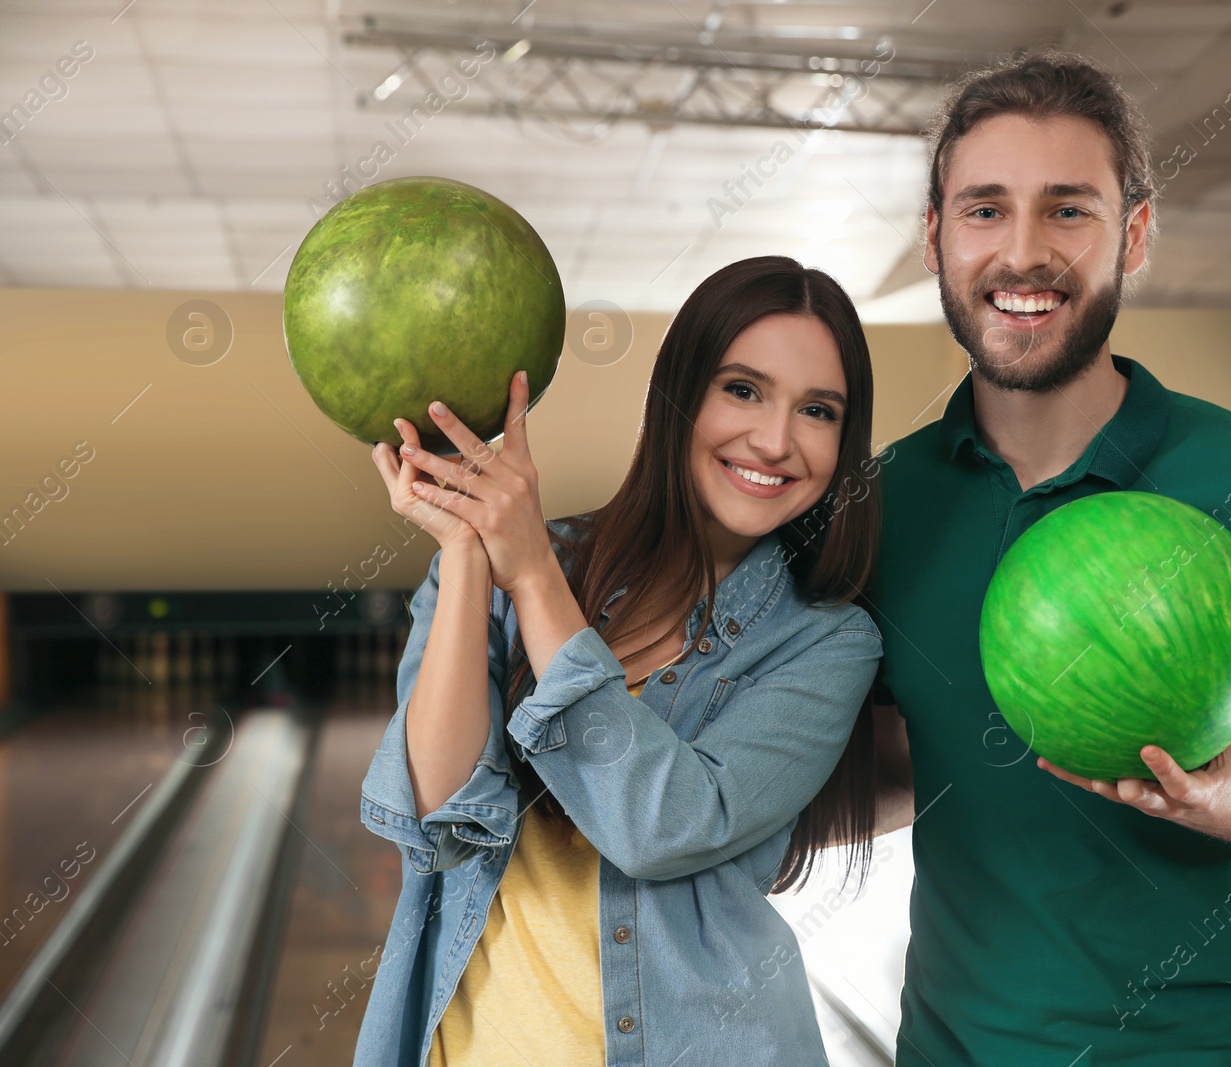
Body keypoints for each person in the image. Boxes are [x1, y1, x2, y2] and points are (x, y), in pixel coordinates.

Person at [869, 52, 1231, 1064]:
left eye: (1068, 209)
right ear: (935, 239)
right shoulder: (882, 504)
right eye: (984, 209)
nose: (1023, 250)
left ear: (1132, 235)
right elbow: (899, 770)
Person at [353, 256, 885, 1067]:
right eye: (741, 389)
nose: (775, 439)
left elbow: (662, 826)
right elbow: (436, 809)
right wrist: (467, 547)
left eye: (817, 410)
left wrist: (531, 576)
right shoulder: (530, 556)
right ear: (678, 398)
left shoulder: (825, 643)